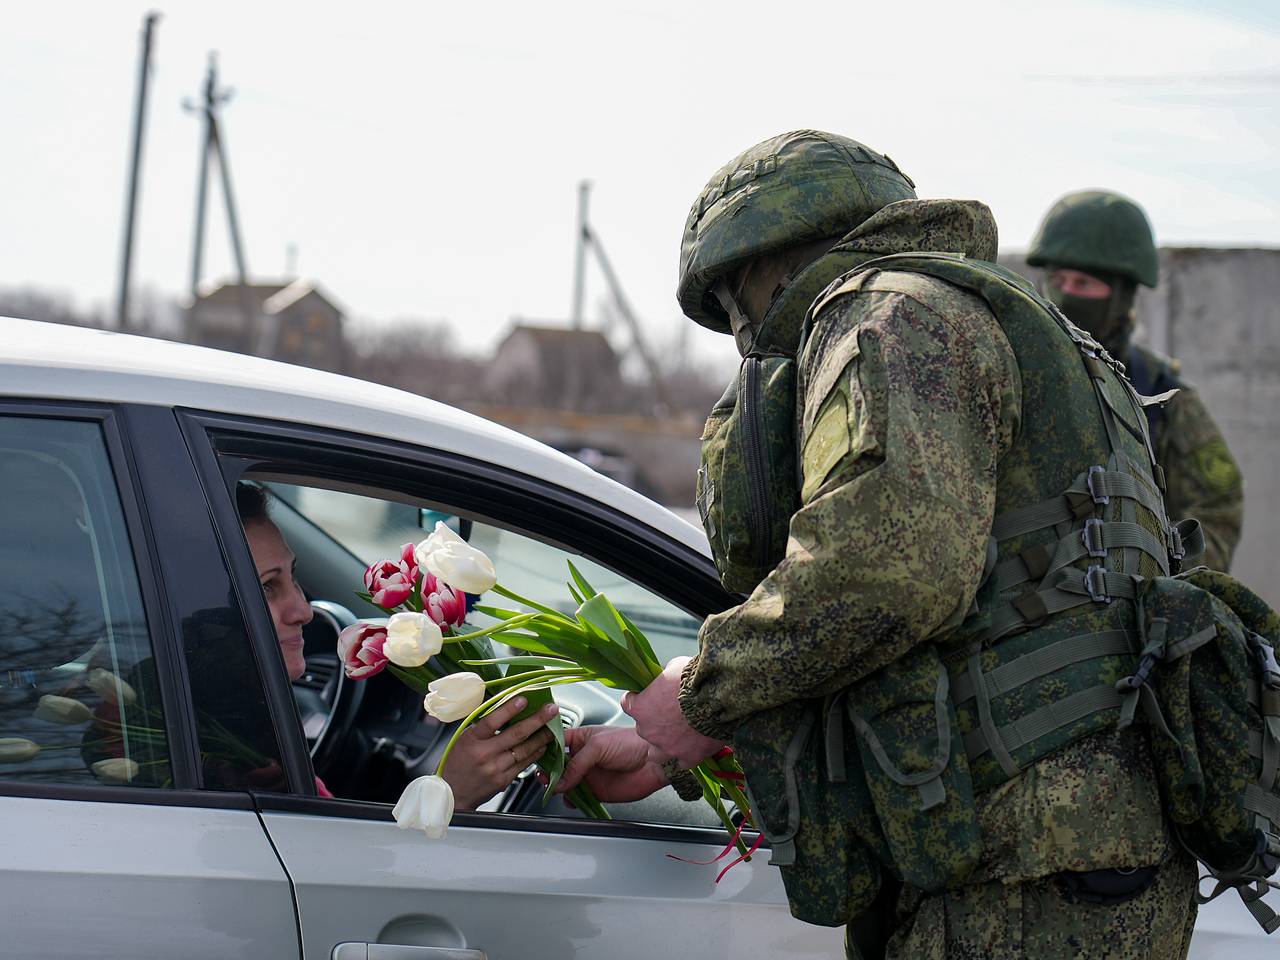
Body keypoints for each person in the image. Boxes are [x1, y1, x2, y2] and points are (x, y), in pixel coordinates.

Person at [558, 131, 1198, 959]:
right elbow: (993, 604)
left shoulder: (891, 318)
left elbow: (890, 572)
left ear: (766, 262)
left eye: (733, 299)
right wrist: (678, 741)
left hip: (1029, 870)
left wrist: (703, 693)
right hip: (1059, 853)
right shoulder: (978, 313)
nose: (742, 329)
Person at [236, 482, 554, 810]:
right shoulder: (216, 756)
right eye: (266, 587)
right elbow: (327, 860)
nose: (303, 611)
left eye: (294, 575)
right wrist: (450, 797)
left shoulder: (247, 733)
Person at [1027, 189, 1243, 571]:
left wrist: (1165, 578)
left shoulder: (1161, 393)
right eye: (1057, 279)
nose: (1065, 294)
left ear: (1122, 294)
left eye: (1084, 284)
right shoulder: (1016, 373)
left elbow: (1218, 504)